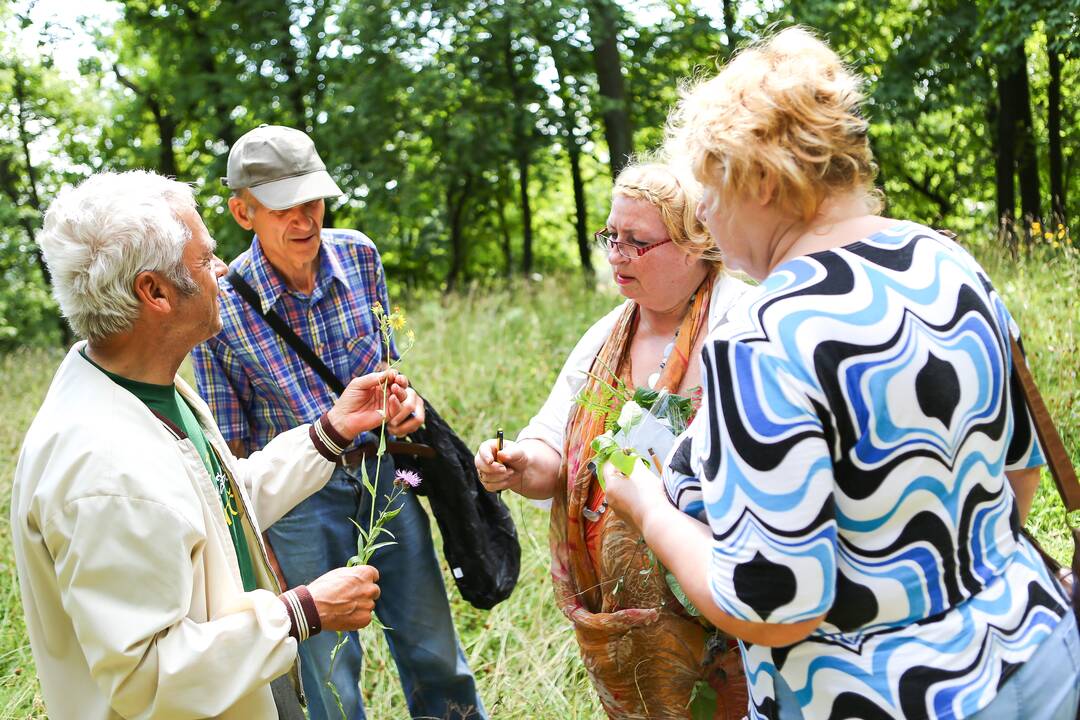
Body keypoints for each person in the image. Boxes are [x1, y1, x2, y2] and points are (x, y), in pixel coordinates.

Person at [602, 27, 1080, 720]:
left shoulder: (760, 336)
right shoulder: (948, 261)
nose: (702, 214)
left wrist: (646, 506)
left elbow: (773, 610)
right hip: (1040, 658)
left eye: (709, 187)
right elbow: (1019, 472)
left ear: (762, 179)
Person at [11, 170, 407, 720]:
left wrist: (330, 432)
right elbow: (147, 676)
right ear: (155, 292)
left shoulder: (146, 387)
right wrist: (301, 613)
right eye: (205, 258)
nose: (223, 270)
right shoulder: (102, 473)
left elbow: (216, 502)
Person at [192, 124, 485, 720]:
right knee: (328, 676)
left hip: (384, 477)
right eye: (283, 208)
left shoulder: (360, 255)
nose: (304, 220)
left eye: (313, 201)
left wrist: (403, 407)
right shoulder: (217, 309)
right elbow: (236, 451)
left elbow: (383, 368)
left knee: (434, 651)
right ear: (243, 212)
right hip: (300, 505)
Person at [475, 161, 752, 718]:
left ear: (697, 243)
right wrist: (517, 463)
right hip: (624, 626)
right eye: (611, 236)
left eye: (637, 241)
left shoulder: (744, 324)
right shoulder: (606, 335)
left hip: (722, 613)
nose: (616, 254)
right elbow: (551, 450)